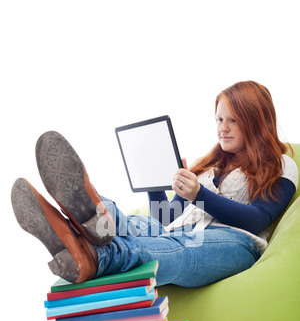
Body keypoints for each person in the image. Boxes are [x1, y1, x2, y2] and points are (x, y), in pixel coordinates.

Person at [11, 81, 298, 288]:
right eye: (219, 118)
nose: (222, 127)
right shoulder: (208, 166)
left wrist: (199, 195)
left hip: (235, 242)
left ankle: (87, 245)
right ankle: (89, 224)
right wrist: (155, 183)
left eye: (233, 120)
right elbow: (165, 219)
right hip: (176, 229)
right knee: (126, 219)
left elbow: (258, 218)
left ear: (256, 120)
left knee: (178, 247)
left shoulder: (282, 165)